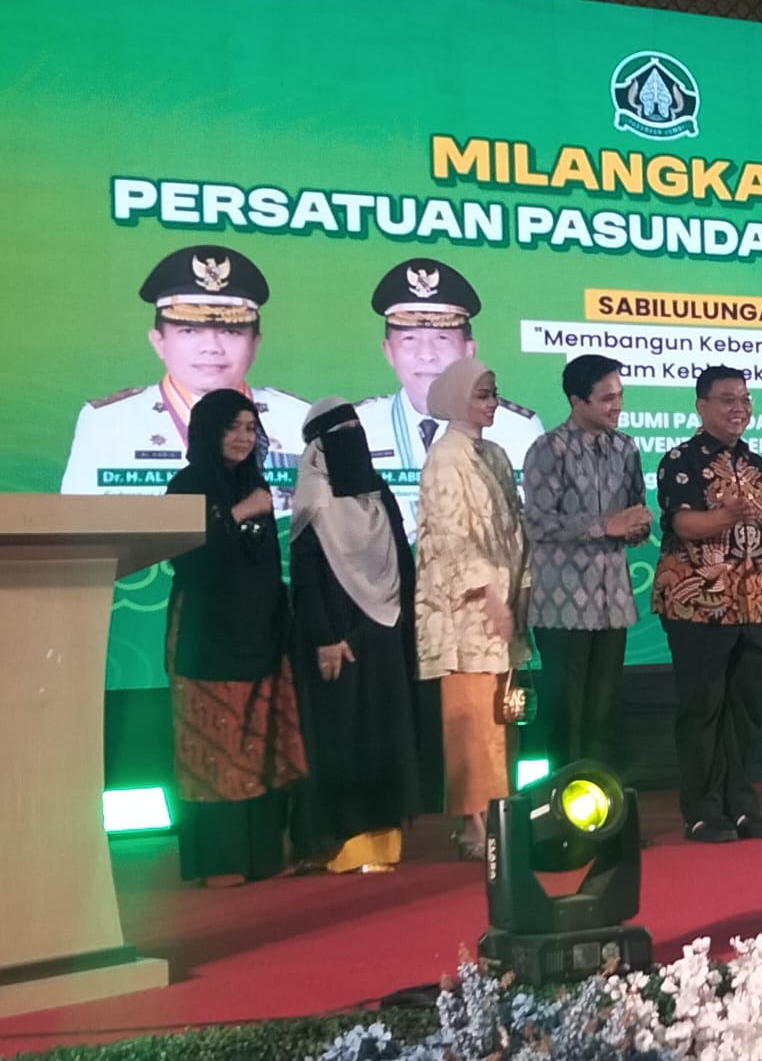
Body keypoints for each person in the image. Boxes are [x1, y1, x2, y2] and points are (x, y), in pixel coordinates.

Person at [653, 365, 762, 843]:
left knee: (746, 711)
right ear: (701, 406)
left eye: (744, 399)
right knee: (702, 710)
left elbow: (760, 534)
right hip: (699, 606)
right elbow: (684, 525)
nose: (739, 408)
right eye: (727, 399)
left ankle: (742, 806)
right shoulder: (679, 460)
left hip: (752, 603)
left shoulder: (757, 464)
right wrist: (725, 515)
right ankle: (702, 811)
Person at [163, 388, 307, 886]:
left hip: (259, 631)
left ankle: (261, 856)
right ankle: (220, 861)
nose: (244, 438)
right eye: (233, 427)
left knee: (259, 743)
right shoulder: (188, 484)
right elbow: (186, 558)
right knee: (214, 744)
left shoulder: (253, 481)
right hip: (208, 635)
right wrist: (241, 512)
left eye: (250, 428)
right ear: (209, 431)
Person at [288, 399, 423, 873]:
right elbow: (306, 577)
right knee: (344, 734)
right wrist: (324, 637)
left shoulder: (377, 490)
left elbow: (401, 559)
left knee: (387, 731)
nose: (352, 440)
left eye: (356, 429)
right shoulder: (315, 499)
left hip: (384, 630)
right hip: (339, 638)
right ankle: (344, 840)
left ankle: (384, 839)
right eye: (340, 433)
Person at [63, 245, 307, 497]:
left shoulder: (298, 420)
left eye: (230, 331)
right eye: (189, 331)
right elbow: (77, 516)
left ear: (255, 344)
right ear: (159, 342)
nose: (211, 348)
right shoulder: (109, 423)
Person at [414, 357, 532, 860]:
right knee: (472, 718)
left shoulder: (496, 454)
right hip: (465, 613)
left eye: (493, 393)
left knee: (501, 716)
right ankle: (472, 822)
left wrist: (520, 588)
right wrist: (488, 593)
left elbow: (514, 527)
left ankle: (499, 815)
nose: (492, 404)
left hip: (501, 607)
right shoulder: (445, 456)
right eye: (482, 395)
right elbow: (450, 536)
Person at [522, 354, 651, 772]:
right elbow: (537, 522)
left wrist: (637, 527)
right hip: (563, 607)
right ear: (577, 400)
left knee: (604, 712)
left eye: (620, 396)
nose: (617, 406)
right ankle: (562, 803)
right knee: (566, 714)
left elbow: (633, 513)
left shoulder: (625, 447)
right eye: (607, 398)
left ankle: (602, 802)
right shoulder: (548, 449)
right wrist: (604, 525)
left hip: (613, 602)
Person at [357, 259, 544, 537]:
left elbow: (534, 525)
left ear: (469, 350)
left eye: (442, 338)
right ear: (388, 351)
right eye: (410, 339)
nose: (426, 355)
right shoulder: (360, 424)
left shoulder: (517, 428)